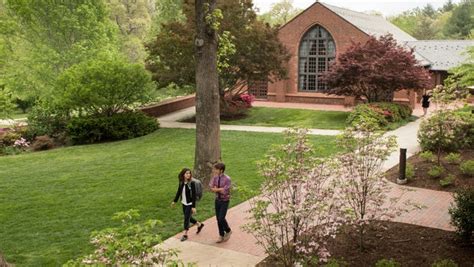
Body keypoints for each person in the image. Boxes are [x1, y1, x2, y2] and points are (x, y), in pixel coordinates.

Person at [171, 168, 204, 242]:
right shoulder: (181, 182)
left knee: (186, 218)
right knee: (188, 217)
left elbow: (194, 195)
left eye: (189, 173)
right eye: (186, 173)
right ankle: (199, 224)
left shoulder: (192, 183)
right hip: (184, 202)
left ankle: (185, 234)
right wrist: (174, 201)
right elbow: (179, 191)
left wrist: (193, 207)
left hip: (190, 204)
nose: (188, 175)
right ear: (183, 174)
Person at [209, 162, 232, 243]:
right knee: (218, 219)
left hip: (224, 201)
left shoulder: (227, 179)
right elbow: (211, 187)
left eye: (216, 169)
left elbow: (225, 191)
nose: (215, 170)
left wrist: (217, 189)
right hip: (217, 200)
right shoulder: (215, 178)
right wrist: (218, 189)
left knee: (221, 218)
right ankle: (221, 235)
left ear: (221, 170)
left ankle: (228, 230)